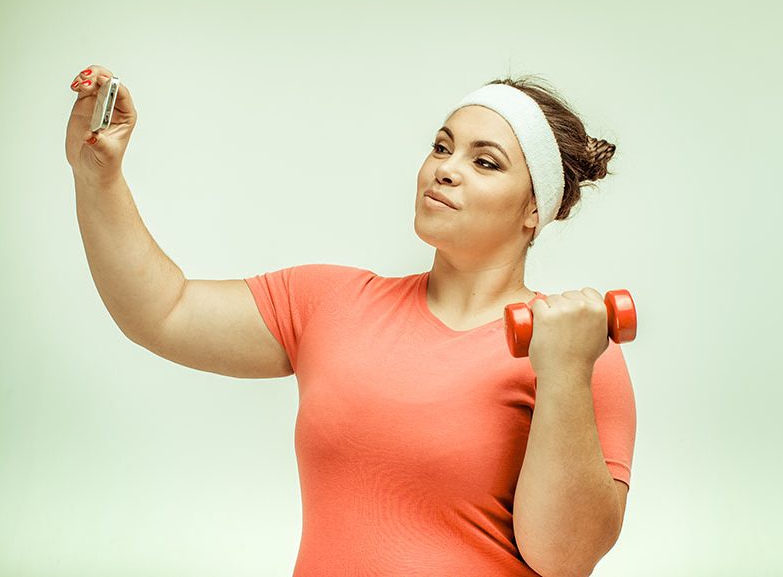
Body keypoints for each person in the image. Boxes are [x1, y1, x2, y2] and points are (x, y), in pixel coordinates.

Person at [67, 66, 636, 577]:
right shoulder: (332, 302)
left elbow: (565, 559)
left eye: (484, 162)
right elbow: (163, 312)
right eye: (442, 148)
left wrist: (564, 371)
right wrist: (98, 175)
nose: (446, 170)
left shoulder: (578, 347)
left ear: (535, 208)